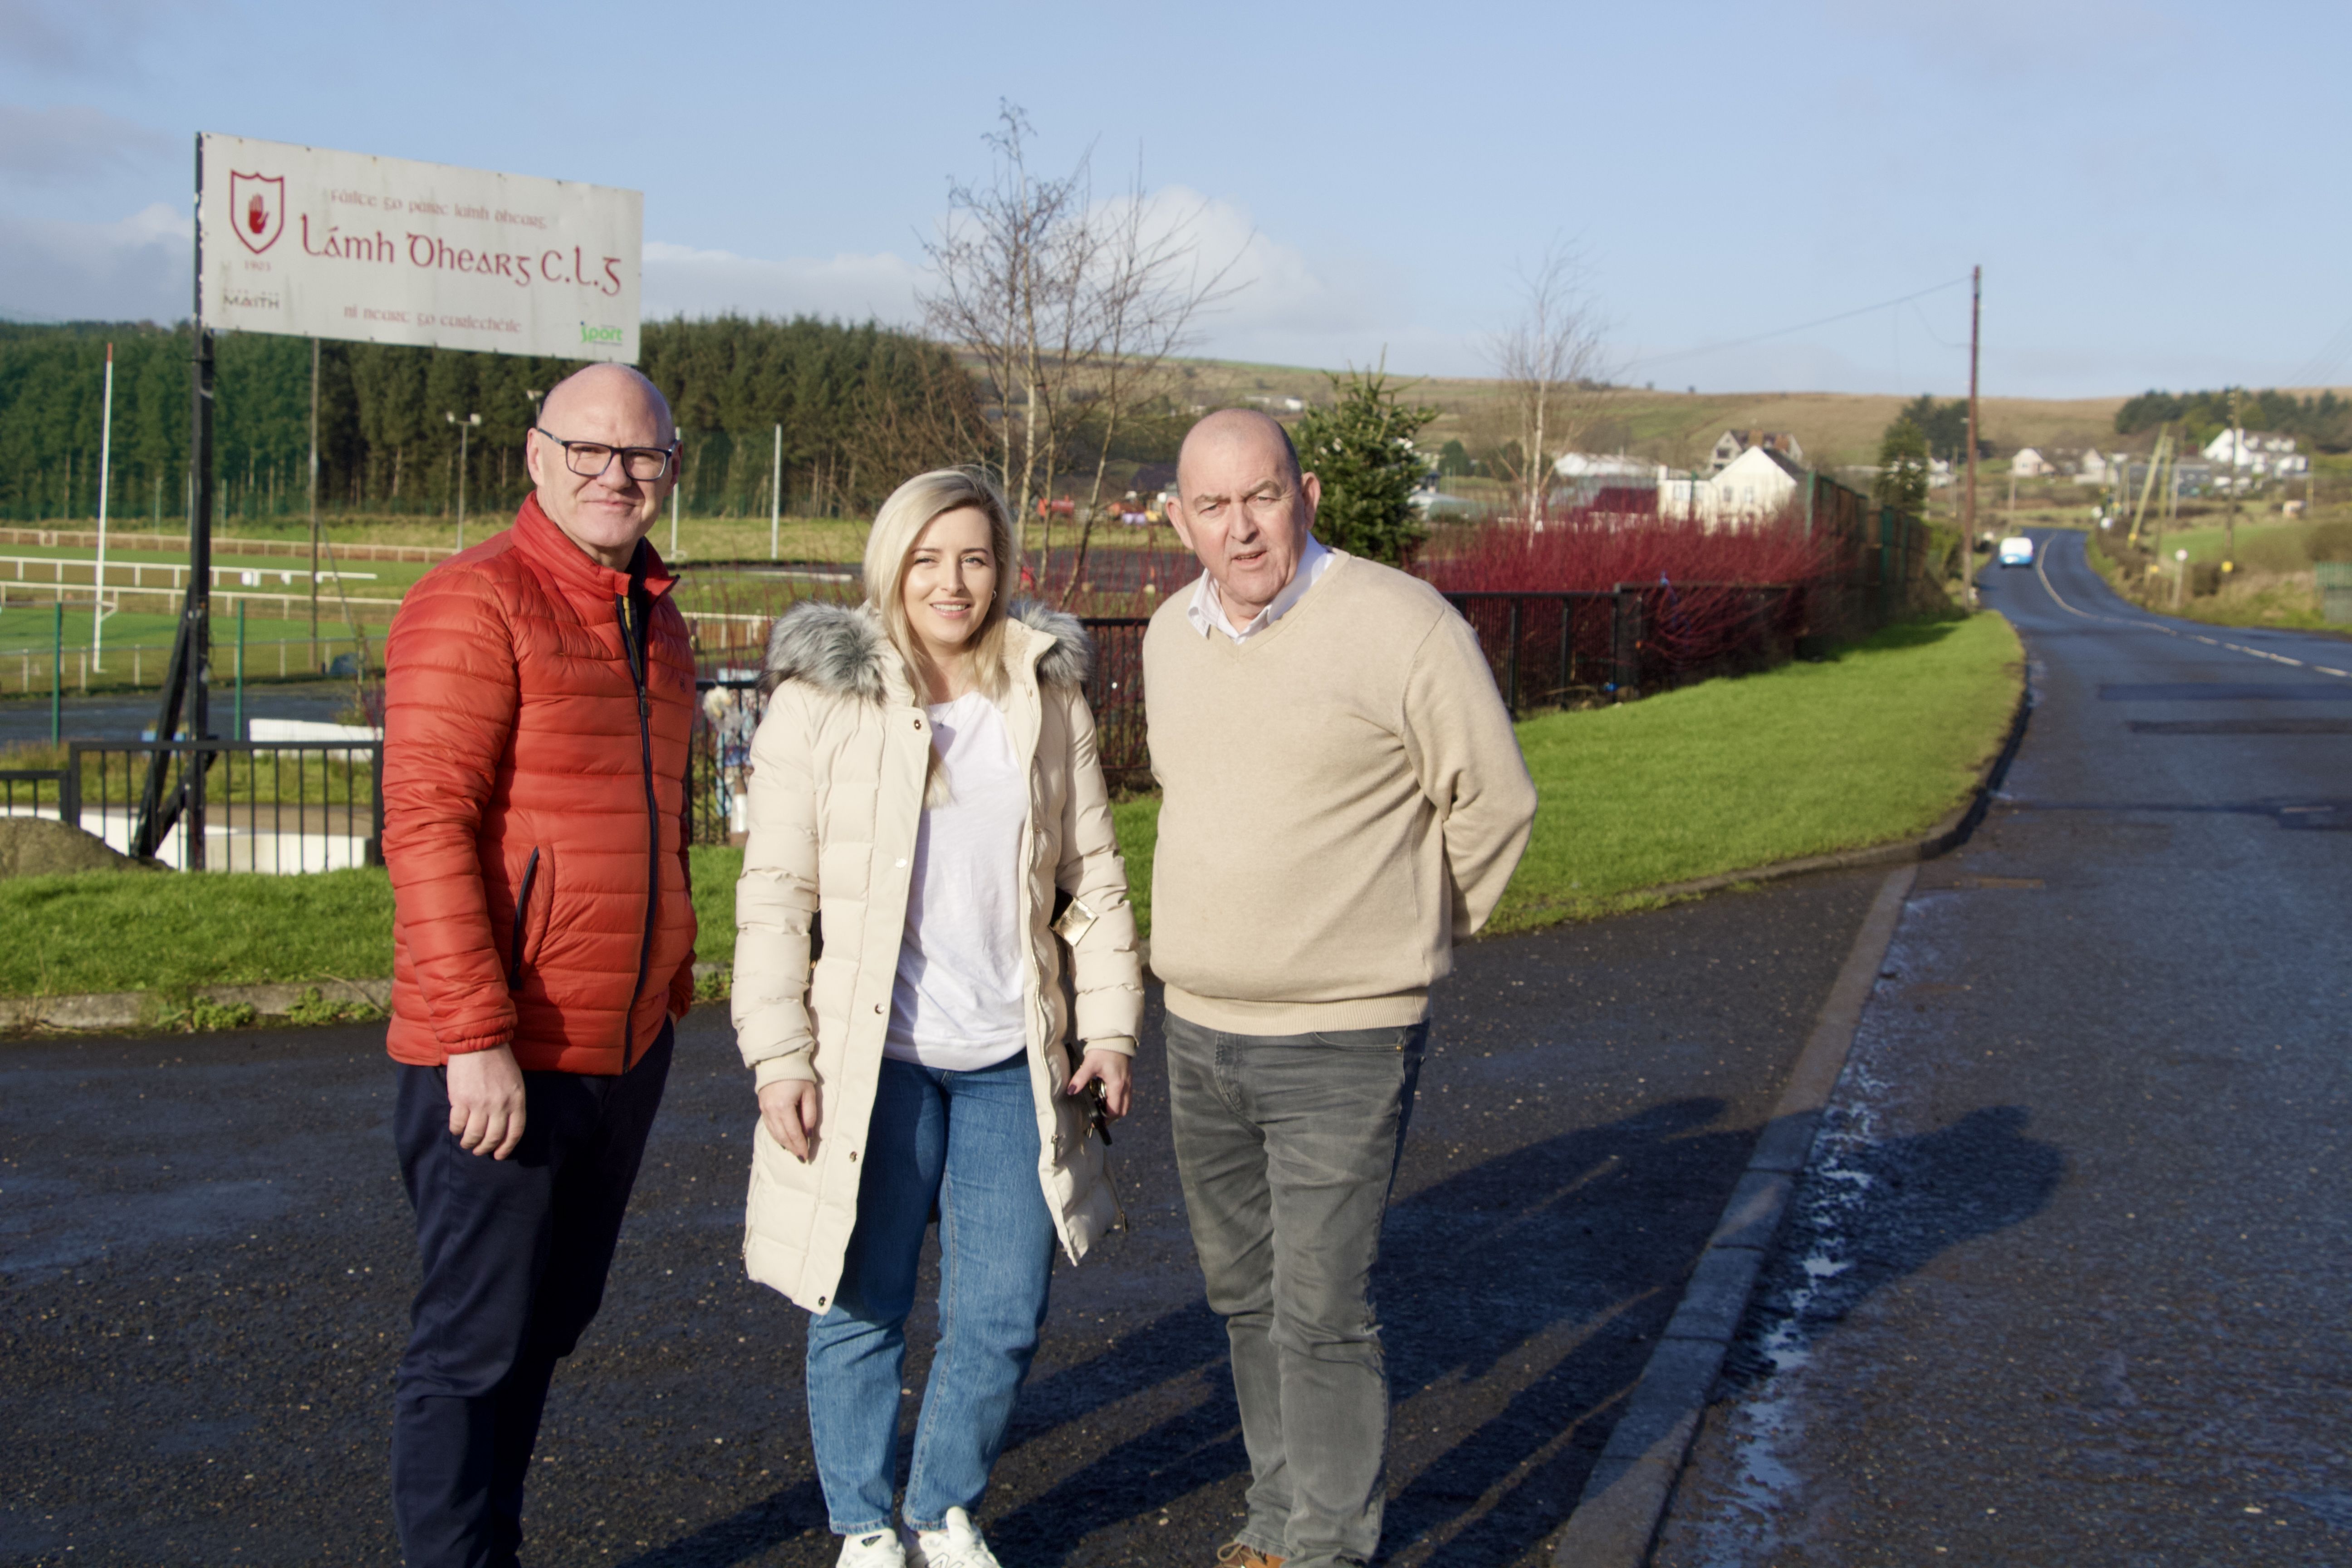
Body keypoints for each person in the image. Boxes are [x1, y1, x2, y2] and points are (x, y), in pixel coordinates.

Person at [1144, 409, 1538, 1568]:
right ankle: (1278, 1519)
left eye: (1260, 497)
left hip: (1346, 1038)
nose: (1240, 527)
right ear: (1179, 519)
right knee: (1244, 1296)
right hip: (1199, 1026)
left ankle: (1325, 1547)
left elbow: (1495, 801)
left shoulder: (1403, 625)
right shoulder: (1171, 633)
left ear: (1305, 494)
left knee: (1320, 1306)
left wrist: (1409, 934)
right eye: (1211, 506)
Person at [731, 468, 1142, 1568]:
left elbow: (1092, 875)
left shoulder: (1046, 696)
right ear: (890, 565)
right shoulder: (821, 701)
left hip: (1014, 1056)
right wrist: (780, 1055)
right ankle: (864, 1528)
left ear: (1003, 566)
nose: (952, 582)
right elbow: (776, 893)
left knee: (1004, 1310)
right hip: (878, 1062)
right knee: (861, 1300)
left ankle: (942, 1508)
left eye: (973, 557)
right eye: (927, 558)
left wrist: (1108, 1029)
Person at [379, 363, 699, 1568]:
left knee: (547, 1323)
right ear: (534, 455)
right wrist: (474, 1036)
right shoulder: (476, 602)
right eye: (590, 451)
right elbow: (426, 827)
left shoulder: (656, 621)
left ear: (671, 467)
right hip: (504, 1053)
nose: (617, 476)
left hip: (622, 1047)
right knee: (469, 1346)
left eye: (643, 455)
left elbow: (658, 824)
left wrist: (668, 984)